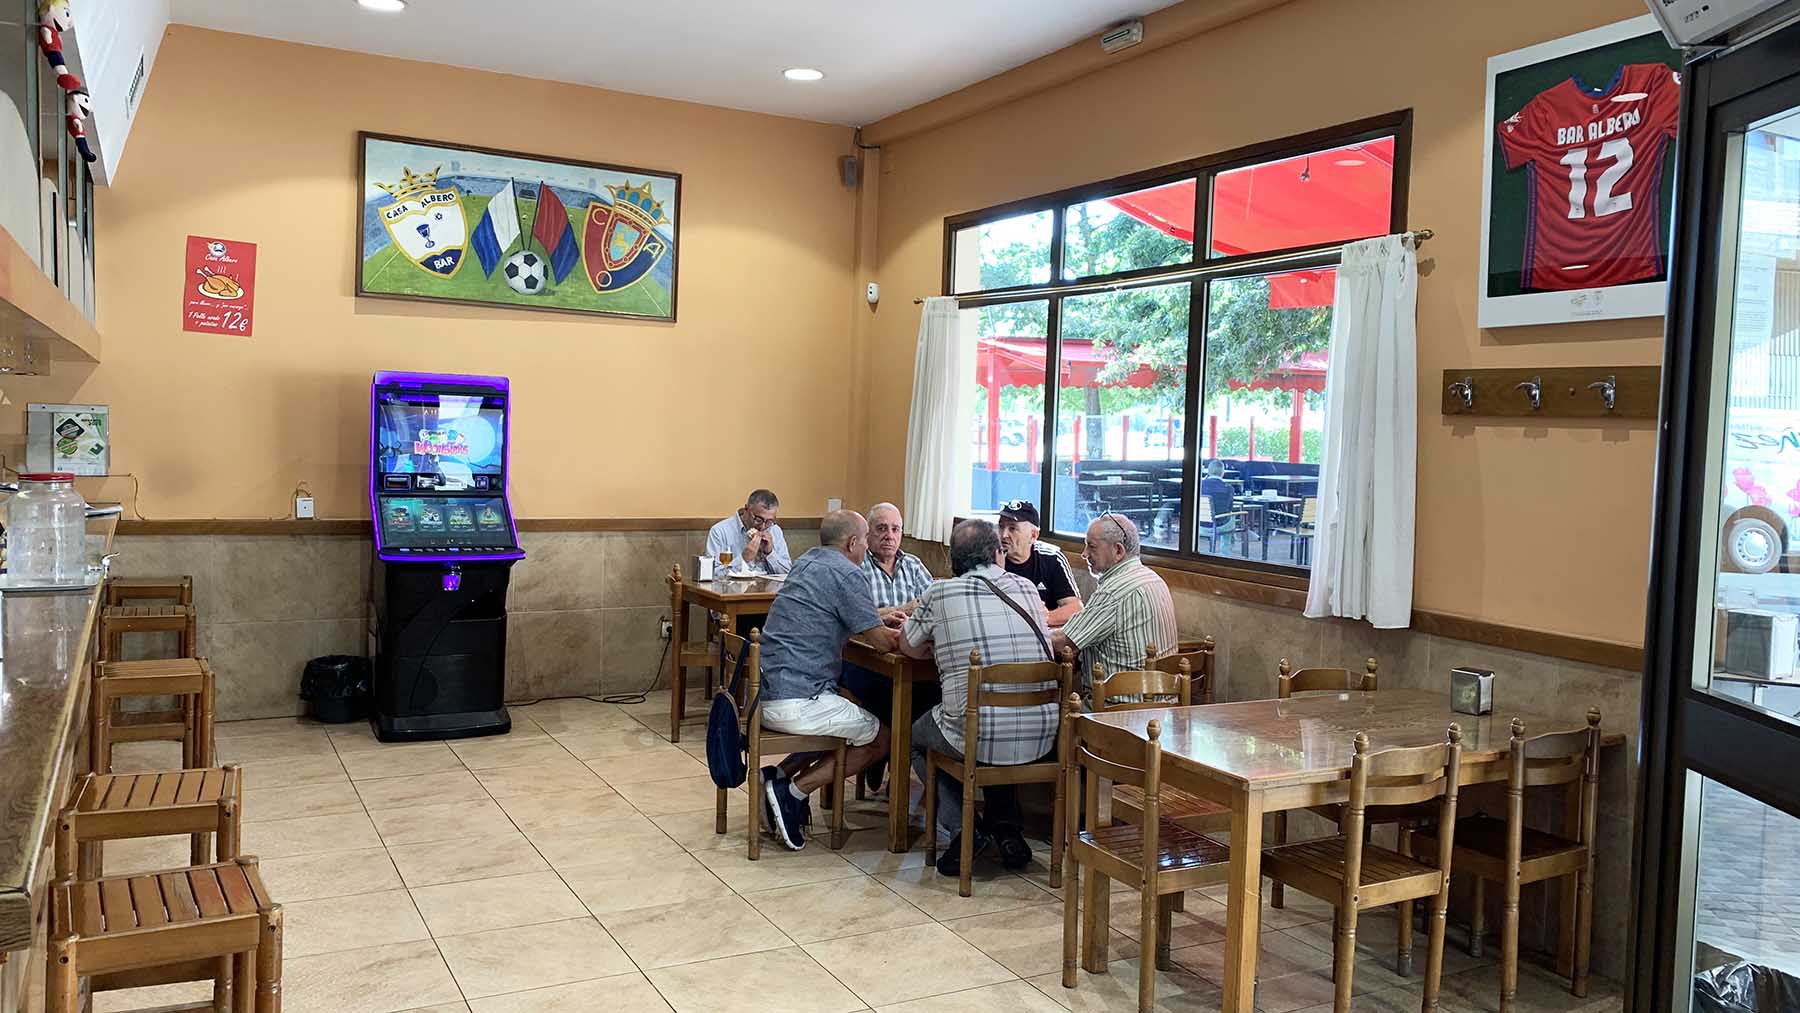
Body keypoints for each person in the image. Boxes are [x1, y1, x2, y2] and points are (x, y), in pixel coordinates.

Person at [898, 518, 1059, 876]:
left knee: (916, 737)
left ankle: (965, 831)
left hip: (976, 732)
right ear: (997, 553)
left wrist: (938, 647)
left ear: (954, 558)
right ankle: (1007, 829)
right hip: (1044, 733)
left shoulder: (939, 593)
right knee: (992, 726)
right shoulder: (1028, 588)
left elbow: (907, 645)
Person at [756, 510, 899, 850]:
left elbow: (826, 609)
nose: (866, 548)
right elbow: (882, 643)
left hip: (767, 691)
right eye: (865, 540)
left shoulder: (807, 562)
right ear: (853, 543)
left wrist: (876, 616)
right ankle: (791, 792)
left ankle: (779, 775)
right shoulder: (849, 574)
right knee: (881, 738)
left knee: (845, 718)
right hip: (799, 697)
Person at [1051, 513, 1178, 687]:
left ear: (1118, 550)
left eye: (1091, 547)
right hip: (1164, 705)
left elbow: (1065, 642)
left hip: (1118, 707)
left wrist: (1028, 632)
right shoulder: (1155, 580)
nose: (1084, 554)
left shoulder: (1113, 592)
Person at [996, 500, 1083, 625]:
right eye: (1001, 526)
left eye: (1012, 528)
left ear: (1033, 535)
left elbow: (1076, 608)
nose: (1003, 535)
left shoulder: (1052, 557)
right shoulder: (991, 557)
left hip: (1042, 633)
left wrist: (1043, 618)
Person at [863, 502, 934, 621]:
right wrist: (904, 609)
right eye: (881, 529)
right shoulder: (857, 566)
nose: (889, 536)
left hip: (912, 635)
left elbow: (934, 606)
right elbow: (854, 616)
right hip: (869, 637)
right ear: (867, 532)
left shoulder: (913, 564)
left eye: (895, 529)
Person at [706, 489, 791, 575]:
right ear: (746, 509)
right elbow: (712, 573)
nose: (763, 526)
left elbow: (788, 573)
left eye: (769, 521)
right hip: (734, 587)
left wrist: (769, 553)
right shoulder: (720, 531)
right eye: (758, 519)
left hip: (768, 587)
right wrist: (743, 559)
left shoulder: (774, 530)